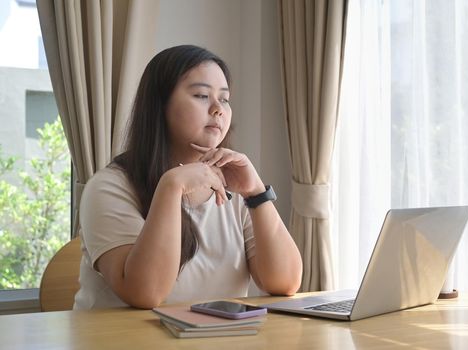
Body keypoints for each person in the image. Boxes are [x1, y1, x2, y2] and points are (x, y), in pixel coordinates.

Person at [74, 45, 303, 309]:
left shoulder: (233, 188)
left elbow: (284, 282)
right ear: (160, 105)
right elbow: (145, 294)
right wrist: (171, 187)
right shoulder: (109, 188)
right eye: (202, 95)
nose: (218, 109)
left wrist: (256, 193)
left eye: (225, 99)